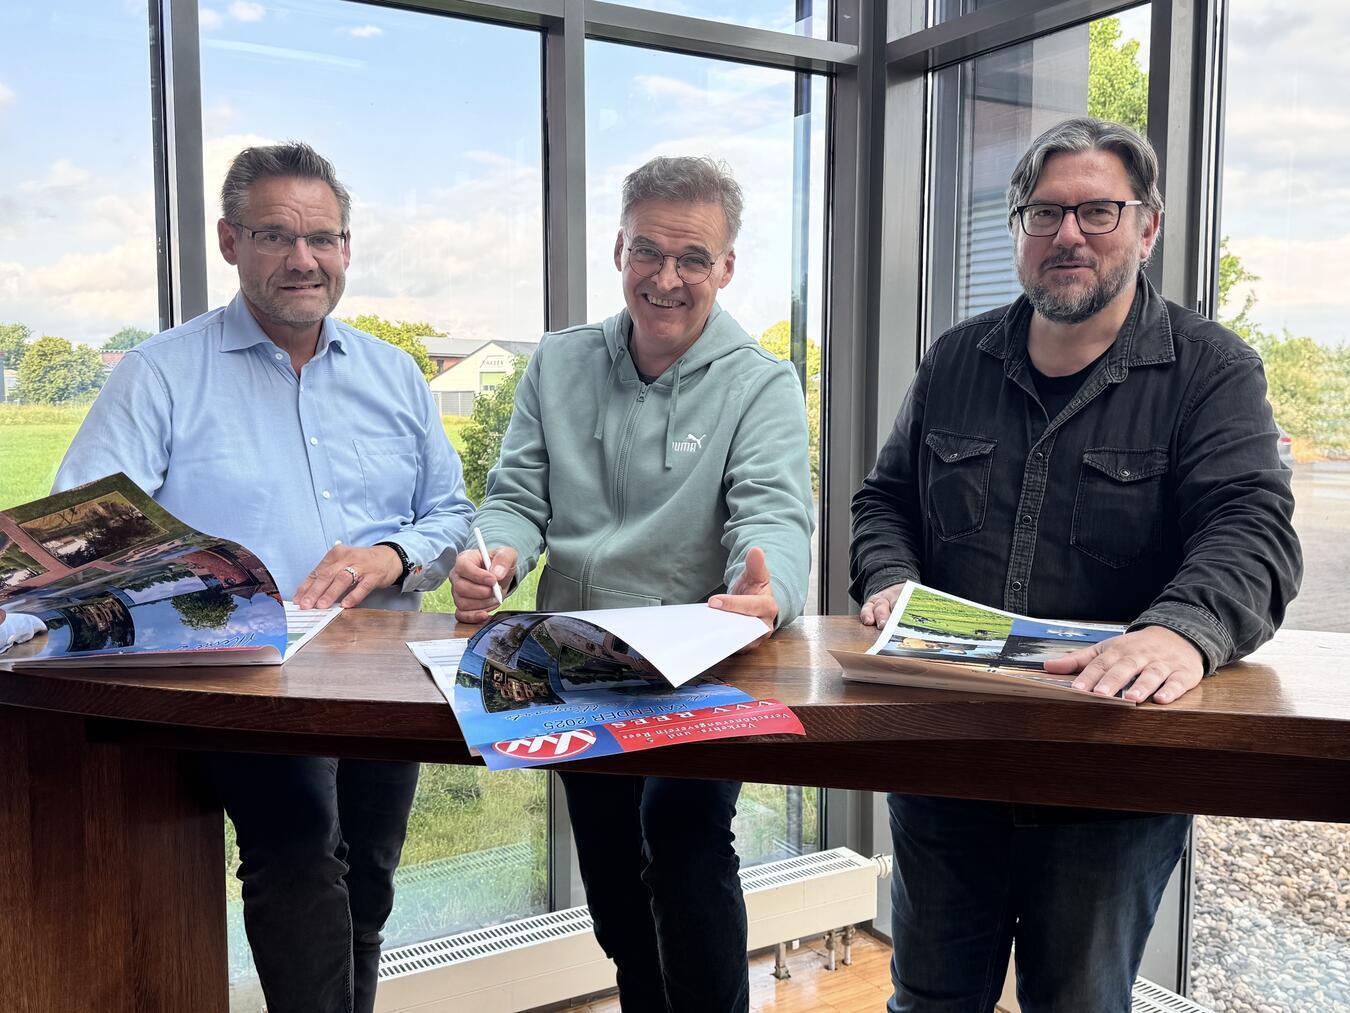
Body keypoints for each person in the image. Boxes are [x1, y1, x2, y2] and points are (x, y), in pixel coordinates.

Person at [850, 117, 1301, 1013]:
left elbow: (1253, 526)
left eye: (1098, 211)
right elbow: (883, 500)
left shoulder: (1211, 373)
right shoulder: (953, 361)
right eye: (1044, 213)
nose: (1068, 235)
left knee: (1079, 1002)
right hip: (947, 758)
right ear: (1018, 229)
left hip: (1112, 773)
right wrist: (889, 576)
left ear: (1148, 227)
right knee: (930, 999)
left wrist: (1182, 628)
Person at [54, 142, 475, 1013]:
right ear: (228, 240)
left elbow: (452, 514)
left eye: (323, 237)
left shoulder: (396, 376)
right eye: (275, 235)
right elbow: (83, 528)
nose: (302, 258)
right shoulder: (159, 374)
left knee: (370, 874)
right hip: (243, 675)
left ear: (348, 249)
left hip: (384, 672)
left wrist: (392, 555)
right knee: (300, 851)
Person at [450, 155, 814, 1012]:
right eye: (648, 251)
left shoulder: (762, 383)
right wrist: (495, 556)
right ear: (618, 249)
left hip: (697, 668)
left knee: (683, 841)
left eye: (693, 258)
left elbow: (771, 520)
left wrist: (768, 593)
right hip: (572, 661)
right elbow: (514, 501)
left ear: (726, 267)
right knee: (614, 880)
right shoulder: (559, 365)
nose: (667, 277)